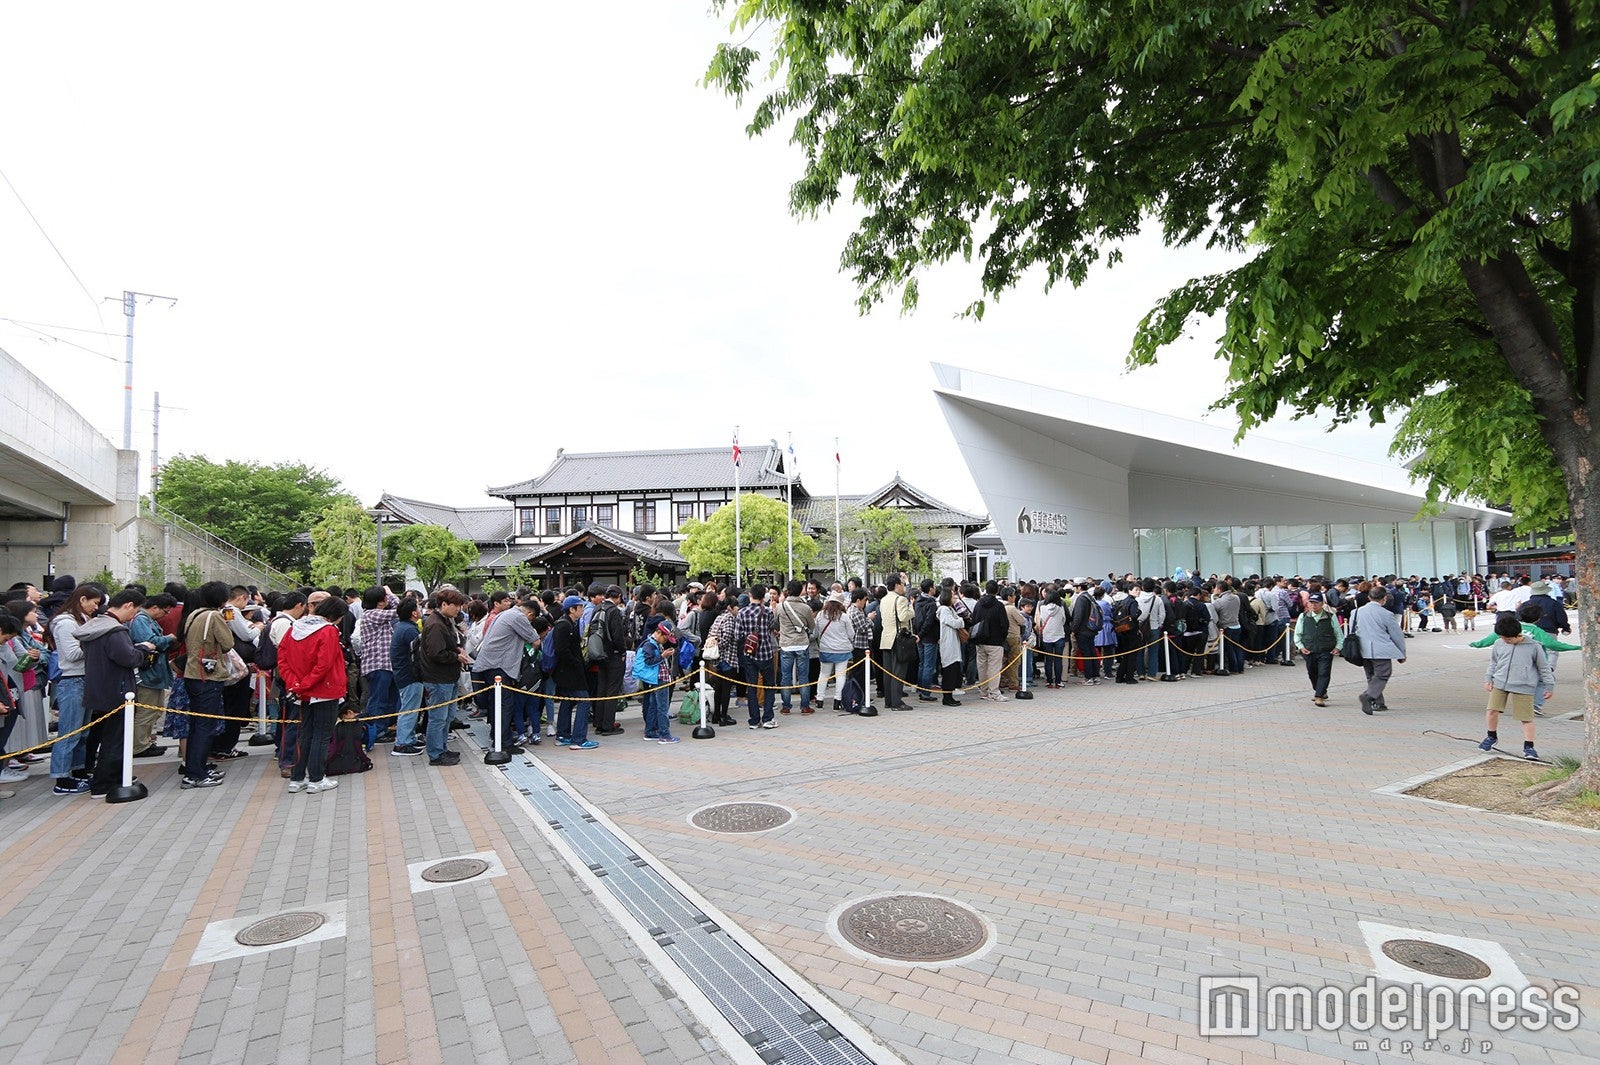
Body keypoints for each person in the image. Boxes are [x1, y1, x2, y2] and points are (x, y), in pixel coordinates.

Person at [79, 589, 147, 796]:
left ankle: (107, 775)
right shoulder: (115, 631)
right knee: (115, 740)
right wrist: (143, 650)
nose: (134, 616)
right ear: (128, 605)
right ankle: (105, 782)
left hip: (97, 688)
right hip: (118, 690)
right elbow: (128, 658)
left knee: (102, 737)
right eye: (135, 610)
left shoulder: (92, 626)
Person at [278, 596, 349, 793]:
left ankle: (298, 777)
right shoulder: (328, 631)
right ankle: (316, 778)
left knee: (306, 733)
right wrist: (304, 684)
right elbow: (324, 665)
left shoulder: (294, 628)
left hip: (301, 690)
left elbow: (282, 658)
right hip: (324, 689)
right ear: (336, 615)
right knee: (322, 734)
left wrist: (295, 684)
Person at [48, 584, 107, 794]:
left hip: (85, 680)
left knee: (83, 733)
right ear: (82, 600)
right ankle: (61, 779)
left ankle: (78, 771)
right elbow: (71, 654)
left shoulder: (82, 620)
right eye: (94, 602)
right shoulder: (64, 622)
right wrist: (96, 643)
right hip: (73, 681)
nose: (95, 607)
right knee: (69, 733)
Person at [1478, 611, 1555, 760]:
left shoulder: (1534, 646)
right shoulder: (1499, 643)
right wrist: (1488, 678)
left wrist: (1549, 685)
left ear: (1517, 635)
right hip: (1500, 683)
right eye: (1502, 637)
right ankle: (1491, 736)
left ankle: (1529, 747)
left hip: (1524, 685)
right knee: (1492, 711)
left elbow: (1544, 668)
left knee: (1526, 718)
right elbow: (1494, 662)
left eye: (1507, 638)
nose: (1504, 640)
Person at [416, 589, 471, 765]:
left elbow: (446, 646)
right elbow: (436, 653)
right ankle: (436, 754)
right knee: (437, 718)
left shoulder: (445, 621)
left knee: (446, 717)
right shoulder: (436, 624)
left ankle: (442, 748)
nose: (459, 610)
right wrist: (456, 656)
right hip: (438, 678)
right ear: (444, 605)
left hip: (448, 676)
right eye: (456, 606)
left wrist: (456, 651)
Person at [127, 593, 176, 758]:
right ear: (155, 607)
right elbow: (149, 642)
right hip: (147, 674)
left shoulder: (149, 620)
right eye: (165, 611)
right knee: (146, 711)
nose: (166, 615)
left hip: (155, 673)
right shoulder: (140, 620)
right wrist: (169, 638)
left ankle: (145, 742)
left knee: (155, 710)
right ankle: (138, 746)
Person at [550, 595, 597, 749]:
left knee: (568, 702)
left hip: (566, 672)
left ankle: (563, 735)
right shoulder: (564, 625)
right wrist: (576, 663)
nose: (583, 610)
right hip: (570, 672)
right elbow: (562, 650)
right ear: (572, 609)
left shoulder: (568, 623)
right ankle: (579, 739)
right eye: (580, 607)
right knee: (584, 702)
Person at [1351, 585, 1406, 715]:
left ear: (1369, 597)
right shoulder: (1386, 614)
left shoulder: (1356, 612)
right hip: (1381, 649)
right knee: (1382, 674)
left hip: (1362, 649)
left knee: (1371, 676)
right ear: (1384, 598)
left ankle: (1378, 702)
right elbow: (1396, 634)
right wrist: (1401, 652)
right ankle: (1369, 696)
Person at [735, 584, 779, 727]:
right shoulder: (767, 612)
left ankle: (754, 720)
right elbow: (772, 628)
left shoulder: (742, 612)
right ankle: (767, 718)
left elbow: (737, 636)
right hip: (766, 653)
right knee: (769, 686)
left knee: (752, 687)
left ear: (750, 595)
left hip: (749, 654)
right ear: (763, 597)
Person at [1292, 592, 1343, 707]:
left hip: (1326, 649)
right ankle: (1320, 690)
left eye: (1316, 603)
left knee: (1324, 673)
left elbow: (1338, 633)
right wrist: (1301, 646)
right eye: (1311, 603)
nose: (1313, 606)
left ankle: (1319, 696)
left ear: (1322, 604)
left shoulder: (1330, 616)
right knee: (1312, 673)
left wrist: (1338, 646)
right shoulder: (1304, 616)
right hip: (1309, 650)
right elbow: (1298, 634)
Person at [635, 620, 680, 742]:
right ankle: (664, 735)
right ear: (659, 633)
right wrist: (663, 656)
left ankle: (650, 732)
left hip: (656, 678)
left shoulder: (651, 643)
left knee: (653, 705)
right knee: (662, 707)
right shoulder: (649, 645)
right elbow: (649, 661)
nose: (666, 641)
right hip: (659, 678)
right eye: (665, 638)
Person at [776, 580, 816, 714]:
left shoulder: (780, 606)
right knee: (804, 676)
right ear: (800, 591)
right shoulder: (806, 608)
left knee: (785, 677)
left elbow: (775, 624)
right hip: (802, 644)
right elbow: (812, 626)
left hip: (786, 644)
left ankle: (786, 706)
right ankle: (805, 706)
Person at [878, 576, 915, 710]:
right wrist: (911, 608)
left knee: (888, 672)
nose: (904, 587)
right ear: (897, 585)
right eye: (903, 584)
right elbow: (903, 616)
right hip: (898, 639)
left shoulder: (883, 600)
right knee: (898, 672)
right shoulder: (900, 599)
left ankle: (889, 701)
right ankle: (897, 702)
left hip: (886, 638)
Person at [970, 581, 1009, 701]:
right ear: (997, 591)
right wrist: (1002, 637)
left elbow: (974, 621)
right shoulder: (999, 606)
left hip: (980, 641)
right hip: (995, 641)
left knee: (982, 667)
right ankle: (994, 692)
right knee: (994, 668)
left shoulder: (978, 604)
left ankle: (984, 691)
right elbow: (1004, 625)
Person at [935, 588, 966, 705]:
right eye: (953, 596)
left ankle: (950, 696)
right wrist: (960, 621)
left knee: (953, 671)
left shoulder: (949, 609)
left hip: (953, 643)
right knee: (949, 671)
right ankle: (947, 697)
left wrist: (959, 621)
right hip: (948, 644)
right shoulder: (944, 610)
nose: (955, 598)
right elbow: (954, 622)